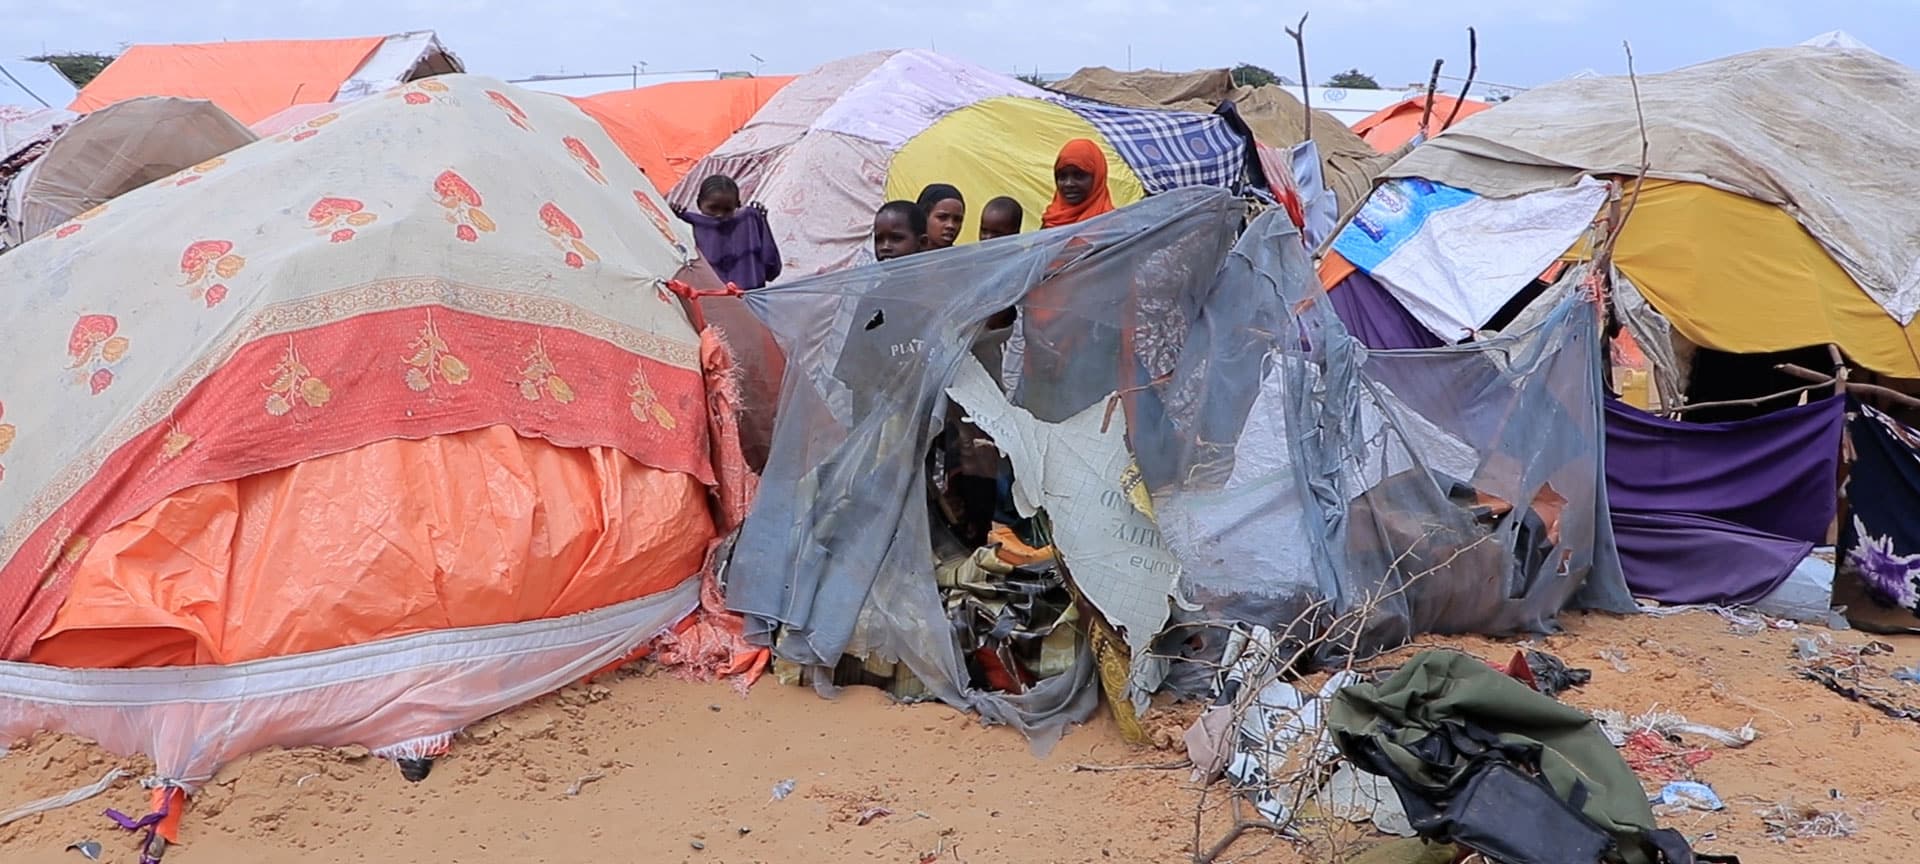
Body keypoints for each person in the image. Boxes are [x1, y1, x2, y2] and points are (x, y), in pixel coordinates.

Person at [675, 174, 782, 290]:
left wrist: (761, 223)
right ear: (699, 204)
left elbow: (771, 269)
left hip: (741, 303)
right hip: (712, 301)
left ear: (738, 205)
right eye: (713, 208)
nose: (719, 215)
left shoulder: (751, 225)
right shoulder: (685, 227)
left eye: (727, 210)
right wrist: (673, 219)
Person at [1041, 139, 1116, 228]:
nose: (1068, 184)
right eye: (1062, 176)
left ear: (1097, 177)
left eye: (1079, 176)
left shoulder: (1111, 225)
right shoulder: (1052, 218)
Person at [916, 184, 966, 250]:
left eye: (957, 220)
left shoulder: (965, 258)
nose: (951, 226)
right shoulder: (904, 256)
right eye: (942, 217)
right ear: (924, 217)